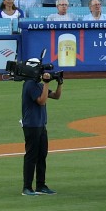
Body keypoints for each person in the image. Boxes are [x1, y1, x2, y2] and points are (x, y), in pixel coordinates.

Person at [20, 58, 63, 196]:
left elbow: (56, 96)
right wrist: (45, 83)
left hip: (41, 125)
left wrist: (59, 83)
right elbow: (41, 101)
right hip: (31, 125)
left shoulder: (38, 85)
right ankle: (27, 187)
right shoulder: (30, 84)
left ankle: (40, 185)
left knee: (42, 155)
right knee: (31, 156)